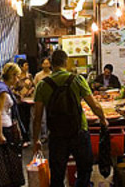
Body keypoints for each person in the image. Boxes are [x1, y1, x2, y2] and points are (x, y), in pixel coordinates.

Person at [32, 50, 108, 187]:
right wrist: (103, 119)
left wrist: (36, 139)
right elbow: (94, 105)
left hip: (56, 135)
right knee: (84, 170)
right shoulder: (77, 79)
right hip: (79, 132)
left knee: (57, 175)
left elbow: (37, 117)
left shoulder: (42, 85)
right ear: (66, 62)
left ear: (52, 64)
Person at [0, 63, 24, 187]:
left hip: (1, 126)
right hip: (3, 128)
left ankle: (0, 182)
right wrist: (0, 133)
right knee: (3, 160)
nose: (17, 79)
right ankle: (3, 182)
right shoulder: (2, 91)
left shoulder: (0, 87)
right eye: (17, 76)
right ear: (12, 76)